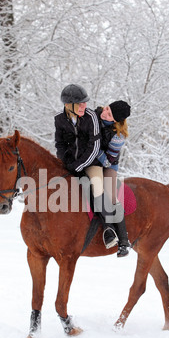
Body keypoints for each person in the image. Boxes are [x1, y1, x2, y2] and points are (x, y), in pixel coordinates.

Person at [54, 84, 119, 250]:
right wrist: (65, 162)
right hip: (69, 163)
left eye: (85, 103)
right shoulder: (59, 120)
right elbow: (59, 144)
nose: (84, 106)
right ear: (68, 105)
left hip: (91, 163)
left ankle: (109, 229)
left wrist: (79, 165)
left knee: (97, 187)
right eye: (80, 103)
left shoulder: (91, 117)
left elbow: (95, 146)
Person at [95, 100, 131, 257]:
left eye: (109, 114)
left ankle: (123, 241)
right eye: (107, 109)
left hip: (109, 164)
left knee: (110, 196)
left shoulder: (118, 136)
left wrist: (93, 150)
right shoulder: (94, 115)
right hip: (91, 161)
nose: (105, 113)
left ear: (116, 121)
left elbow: (108, 160)